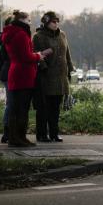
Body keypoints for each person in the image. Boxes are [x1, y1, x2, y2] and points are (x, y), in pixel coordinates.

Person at [1, 10, 52, 147]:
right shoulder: (21, 35)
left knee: (15, 108)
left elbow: (20, 54)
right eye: (29, 20)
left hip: (16, 72)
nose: (30, 23)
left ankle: (15, 137)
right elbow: (26, 56)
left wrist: (34, 55)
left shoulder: (10, 33)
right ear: (22, 20)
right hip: (23, 74)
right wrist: (38, 56)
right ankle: (18, 138)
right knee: (22, 108)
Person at [32, 11, 74, 143]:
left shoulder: (62, 34)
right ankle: (42, 134)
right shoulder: (38, 36)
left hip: (60, 77)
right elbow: (36, 53)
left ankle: (54, 133)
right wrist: (43, 67)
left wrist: (70, 68)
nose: (56, 24)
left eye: (57, 22)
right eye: (53, 22)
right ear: (46, 22)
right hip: (46, 77)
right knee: (44, 107)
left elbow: (67, 52)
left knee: (56, 108)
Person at [0, 17, 13, 143]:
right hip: (9, 73)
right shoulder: (8, 39)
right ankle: (7, 131)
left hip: (6, 73)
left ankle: (8, 131)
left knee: (10, 103)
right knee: (11, 103)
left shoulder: (5, 38)